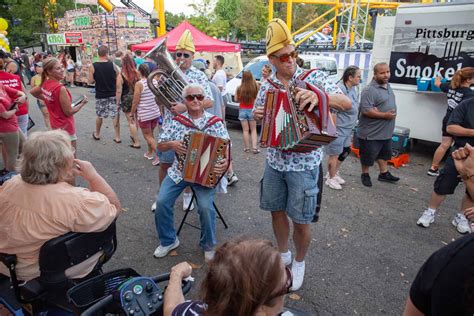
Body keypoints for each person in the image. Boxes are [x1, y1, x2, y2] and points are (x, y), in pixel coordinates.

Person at [253, 18, 351, 291]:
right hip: (274, 162)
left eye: (293, 54)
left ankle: (299, 261)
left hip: (305, 164)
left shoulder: (314, 77)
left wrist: (318, 96)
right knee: (275, 210)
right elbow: (259, 115)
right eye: (283, 56)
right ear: (272, 59)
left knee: (302, 219)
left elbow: (346, 102)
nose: (290, 60)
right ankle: (283, 253)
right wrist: (258, 115)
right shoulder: (268, 85)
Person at [0, 130, 121, 281]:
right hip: (40, 271)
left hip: (6, 263)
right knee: (101, 229)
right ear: (62, 163)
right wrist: (93, 176)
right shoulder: (77, 201)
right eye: (71, 151)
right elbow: (114, 208)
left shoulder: (11, 183)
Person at [153, 83, 228, 261]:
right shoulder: (176, 121)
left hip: (204, 175)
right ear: (184, 101)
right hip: (179, 172)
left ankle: (208, 244)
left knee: (205, 208)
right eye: (190, 97)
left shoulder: (215, 123)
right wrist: (172, 144)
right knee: (162, 201)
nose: (195, 100)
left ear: (204, 100)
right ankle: (168, 240)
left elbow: (226, 150)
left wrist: (224, 164)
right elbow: (160, 145)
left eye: (199, 97)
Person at [155, 29, 214, 212]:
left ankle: (187, 195)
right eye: (177, 54)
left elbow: (210, 101)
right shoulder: (168, 74)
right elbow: (159, 101)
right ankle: (162, 197)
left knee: (189, 165)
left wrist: (185, 107)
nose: (180, 58)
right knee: (165, 163)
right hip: (171, 126)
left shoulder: (199, 75)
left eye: (185, 55)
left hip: (192, 126)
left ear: (192, 55)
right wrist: (159, 88)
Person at [164, 238, 291, 316]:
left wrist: (176, 274)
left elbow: (171, 310)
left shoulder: (192, 312)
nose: (289, 277)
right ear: (260, 312)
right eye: (286, 284)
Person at [417, 97, 474, 234]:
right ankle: (430, 211)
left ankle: (462, 217)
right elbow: (450, 127)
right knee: (444, 183)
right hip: (460, 154)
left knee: (471, 190)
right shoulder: (467, 104)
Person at [30, 58, 88, 151]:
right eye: (58, 68)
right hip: (66, 128)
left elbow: (33, 92)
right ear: (49, 72)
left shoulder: (45, 83)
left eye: (61, 67)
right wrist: (83, 103)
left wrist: (48, 99)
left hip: (55, 126)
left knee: (61, 157)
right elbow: (69, 112)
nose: (62, 70)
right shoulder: (60, 88)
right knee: (71, 158)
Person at [357, 62, 399, 187]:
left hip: (385, 132)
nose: (386, 75)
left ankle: (383, 173)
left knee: (384, 154)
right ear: (374, 75)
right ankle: (365, 174)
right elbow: (365, 110)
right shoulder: (369, 90)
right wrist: (385, 115)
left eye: (387, 72)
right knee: (367, 157)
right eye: (382, 73)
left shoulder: (387, 86)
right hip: (370, 133)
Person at [427, 67, 474, 176]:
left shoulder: (451, 87)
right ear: (468, 80)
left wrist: (438, 76)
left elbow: (437, 83)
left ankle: (433, 168)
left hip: (447, 119)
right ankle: (461, 173)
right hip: (460, 123)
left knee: (444, 145)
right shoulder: (469, 94)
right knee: (462, 148)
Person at [325, 66, 361, 190]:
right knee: (334, 154)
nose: (360, 80)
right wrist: (332, 132)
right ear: (350, 77)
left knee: (345, 151)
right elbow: (332, 111)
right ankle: (330, 178)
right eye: (358, 77)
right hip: (339, 129)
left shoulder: (353, 89)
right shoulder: (339, 89)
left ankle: (334, 173)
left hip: (347, 128)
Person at [88, 45, 122, 143]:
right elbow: (118, 77)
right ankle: (117, 137)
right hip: (112, 94)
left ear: (98, 54)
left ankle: (97, 134)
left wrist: (97, 78)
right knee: (115, 115)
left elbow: (90, 81)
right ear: (107, 53)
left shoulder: (93, 66)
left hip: (100, 95)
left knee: (100, 115)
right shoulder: (113, 65)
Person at [131, 64, 161, 166]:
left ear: (140, 72)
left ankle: (159, 156)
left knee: (147, 136)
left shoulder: (139, 84)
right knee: (151, 134)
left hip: (145, 114)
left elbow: (135, 101)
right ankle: (150, 152)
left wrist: (131, 113)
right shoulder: (154, 81)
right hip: (155, 112)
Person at [0, 81, 26, 172]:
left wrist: (22, 97)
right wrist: (15, 108)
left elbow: (19, 92)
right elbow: (5, 115)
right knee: (12, 154)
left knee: (24, 145)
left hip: (12, 124)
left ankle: (18, 171)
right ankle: (10, 176)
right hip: (6, 128)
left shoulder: (1, 86)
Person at [0, 58, 29, 136]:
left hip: (6, 114)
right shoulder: (16, 77)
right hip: (21, 110)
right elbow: (25, 94)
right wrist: (26, 110)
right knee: (24, 136)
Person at [119, 53, 140, 148]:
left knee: (130, 121)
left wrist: (117, 102)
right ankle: (134, 135)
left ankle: (136, 142)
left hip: (126, 98)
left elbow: (119, 90)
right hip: (136, 97)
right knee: (135, 119)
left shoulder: (121, 75)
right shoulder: (137, 73)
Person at [236, 71, 259, 154]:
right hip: (252, 109)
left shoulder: (239, 88)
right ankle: (255, 148)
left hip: (242, 110)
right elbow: (257, 98)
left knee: (245, 130)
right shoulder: (255, 87)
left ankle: (246, 148)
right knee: (253, 129)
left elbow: (236, 99)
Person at [30, 62, 51, 129]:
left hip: (51, 98)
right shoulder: (34, 78)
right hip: (42, 99)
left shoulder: (49, 77)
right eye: (36, 67)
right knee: (46, 115)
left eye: (39, 66)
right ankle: (49, 130)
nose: (37, 68)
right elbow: (33, 90)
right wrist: (40, 98)